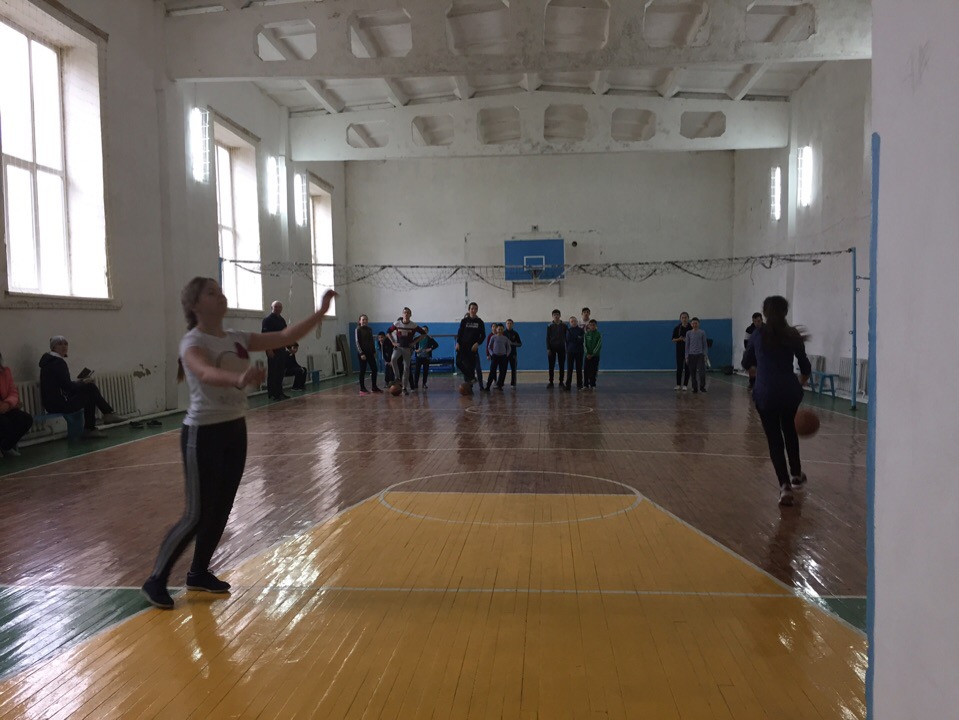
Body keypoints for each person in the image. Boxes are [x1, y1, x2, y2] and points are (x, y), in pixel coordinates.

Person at [141, 278, 335, 609]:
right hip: (203, 433)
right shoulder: (193, 341)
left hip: (234, 428)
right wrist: (240, 378)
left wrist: (321, 312)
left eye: (220, 290)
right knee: (197, 513)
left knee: (222, 507)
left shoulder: (237, 337)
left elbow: (285, 336)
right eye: (211, 292)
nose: (220, 295)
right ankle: (155, 580)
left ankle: (198, 573)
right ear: (195, 305)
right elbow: (205, 373)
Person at [741, 295, 811, 507]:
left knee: (774, 439)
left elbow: (746, 362)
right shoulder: (792, 334)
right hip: (789, 391)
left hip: (766, 393)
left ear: (764, 313)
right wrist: (799, 383)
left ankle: (784, 486)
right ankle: (796, 474)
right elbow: (805, 367)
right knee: (789, 430)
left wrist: (757, 371)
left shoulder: (758, 334)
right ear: (785, 312)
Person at [39, 336, 123, 439]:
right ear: (53, 347)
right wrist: (82, 382)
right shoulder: (58, 362)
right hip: (59, 404)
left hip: (51, 404)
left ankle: (102, 419)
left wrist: (80, 383)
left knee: (89, 390)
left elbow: (62, 385)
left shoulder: (49, 362)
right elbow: (68, 387)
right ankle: (103, 417)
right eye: (60, 344)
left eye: (66, 344)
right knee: (90, 388)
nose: (64, 346)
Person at [0, 351, 33, 458]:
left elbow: (13, 392)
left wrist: (8, 403)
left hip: (6, 407)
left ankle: (6, 447)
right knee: (5, 424)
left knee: (26, 419)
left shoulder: (5, 372)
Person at [387, 308, 427, 395]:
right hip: (398, 347)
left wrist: (414, 342)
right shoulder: (397, 323)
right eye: (405, 312)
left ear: (410, 315)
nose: (406, 314)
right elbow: (388, 332)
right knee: (393, 359)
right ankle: (397, 378)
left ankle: (404, 387)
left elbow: (423, 333)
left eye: (408, 313)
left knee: (406, 368)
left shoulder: (413, 325)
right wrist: (393, 342)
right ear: (402, 314)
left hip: (407, 348)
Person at [455, 302, 486, 394]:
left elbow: (483, 335)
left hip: (472, 348)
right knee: (458, 363)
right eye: (472, 308)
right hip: (462, 347)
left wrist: (477, 343)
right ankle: (472, 378)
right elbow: (460, 333)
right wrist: (458, 343)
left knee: (470, 367)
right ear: (469, 310)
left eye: (475, 309)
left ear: (477, 310)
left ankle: (469, 388)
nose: (473, 310)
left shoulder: (480, 322)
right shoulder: (464, 321)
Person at [262, 300, 289, 400]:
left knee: (280, 372)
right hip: (272, 349)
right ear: (272, 308)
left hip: (281, 348)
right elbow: (265, 336)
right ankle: (273, 393)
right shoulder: (267, 320)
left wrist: (291, 347)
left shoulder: (282, 320)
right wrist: (268, 349)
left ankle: (280, 392)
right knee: (273, 372)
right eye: (276, 307)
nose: (278, 309)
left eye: (279, 307)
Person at [355, 315, 382, 395]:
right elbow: (357, 342)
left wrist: (374, 351)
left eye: (366, 320)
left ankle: (374, 387)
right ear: (360, 321)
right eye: (363, 320)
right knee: (362, 370)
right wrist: (361, 353)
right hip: (362, 354)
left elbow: (371, 341)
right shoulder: (358, 329)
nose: (365, 321)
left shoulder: (369, 329)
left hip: (370, 353)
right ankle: (362, 388)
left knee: (374, 369)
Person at [684, 317, 708, 393]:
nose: (694, 325)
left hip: (700, 355)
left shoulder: (702, 332)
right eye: (693, 323)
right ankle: (694, 388)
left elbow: (705, 345)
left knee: (702, 373)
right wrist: (686, 356)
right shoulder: (688, 333)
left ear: (698, 324)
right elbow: (687, 346)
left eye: (696, 323)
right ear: (691, 324)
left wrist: (705, 355)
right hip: (691, 355)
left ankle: (702, 387)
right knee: (692, 373)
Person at [485, 324, 511, 391]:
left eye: (501, 329)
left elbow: (509, 348)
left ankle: (500, 385)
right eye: (499, 329)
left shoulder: (505, 338)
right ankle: (488, 386)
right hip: (495, 356)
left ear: (503, 330)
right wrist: (492, 354)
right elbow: (489, 347)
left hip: (503, 357)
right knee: (492, 371)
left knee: (503, 372)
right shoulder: (493, 337)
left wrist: (506, 355)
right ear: (496, 329)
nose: (500, 330)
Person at [412, 325, 439, 390]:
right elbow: (411, 345)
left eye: (425, 330)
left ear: (427, 331)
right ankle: (416, 384)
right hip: (419, 356)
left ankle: (424, 383)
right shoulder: (417, 338)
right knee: (417, 371)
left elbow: (436, 345)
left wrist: (430, 349)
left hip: (426, 357)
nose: (424, 331)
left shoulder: (429, 338)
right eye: (423, 330)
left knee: (425, 371)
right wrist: (415, 350)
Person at [546, 309, 567, 388]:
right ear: (552, 316)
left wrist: (567, 347)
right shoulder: (549, 326)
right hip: (552, 347)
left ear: (560, 315)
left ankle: (561, 382)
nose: (556, 316)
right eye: (554, 315)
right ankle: (551, 382)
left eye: (557, 315)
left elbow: (567, 337)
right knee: (551, 365)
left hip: (561, 347)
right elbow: (547, 338)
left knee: (562, 365)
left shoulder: (564, 325)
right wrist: (548, 348)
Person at [671, 312, 691, 390]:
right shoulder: (677, 328)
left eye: (685, 317)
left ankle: (685, 385)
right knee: (679, 368)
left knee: (687, 368)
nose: (684, 319)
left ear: (688, 318)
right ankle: (678, 384)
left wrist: (687, 340)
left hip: (689, 351)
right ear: (680, 319)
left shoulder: (691, 328)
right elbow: (673, 339)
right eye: (682, 317)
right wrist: (679, 339)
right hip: (679, 351)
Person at [744, 312, 764, 389]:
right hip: (753, 354)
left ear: (762, 320)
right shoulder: (749, 330)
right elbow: (746, 342)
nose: (757, 323)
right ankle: (752, 383)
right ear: (753, 321)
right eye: (755, 321)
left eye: (758, 321)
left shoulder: (766, 329)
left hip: (763, 354)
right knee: (752, 368)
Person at [564, 317, 585, 390]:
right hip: (570, 352)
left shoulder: (581, 330)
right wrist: (577, 338)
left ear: (577, 321)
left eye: (574, 321)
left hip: (579, 351)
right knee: (569, 369)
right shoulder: (568, 330)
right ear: (570, 323)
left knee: (579, 369)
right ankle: (568, 385)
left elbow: (582, 340)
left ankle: (579, 385)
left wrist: (576, 338)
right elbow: (568, 339)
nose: (573, 322)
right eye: (572, 321)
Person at [583, 319, 602, 390]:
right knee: (586, 370)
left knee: (594, 370)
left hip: (595, 356)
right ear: (589, 326)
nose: (592, 326)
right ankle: (585, 385)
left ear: (596, 326)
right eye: (591, 325)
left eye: (594, 325)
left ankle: (593, 384)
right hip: (587, 356)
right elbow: (584, 344)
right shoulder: (586, 334)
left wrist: (593, 354)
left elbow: (598, 345)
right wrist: (587, 353)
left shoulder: (598, 334)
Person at [503, 319, 522, 387]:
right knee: (503, 369)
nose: (509, 325)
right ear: (506, 324)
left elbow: (520, 344)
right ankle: (501, 383)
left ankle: (513, 384)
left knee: (513, 369)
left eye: (510, 323)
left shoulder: (515, 333)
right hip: (504, 354)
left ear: (513, 324)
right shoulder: (503, 333)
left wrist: (512, 343)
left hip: (513, 354)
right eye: (508, 323)